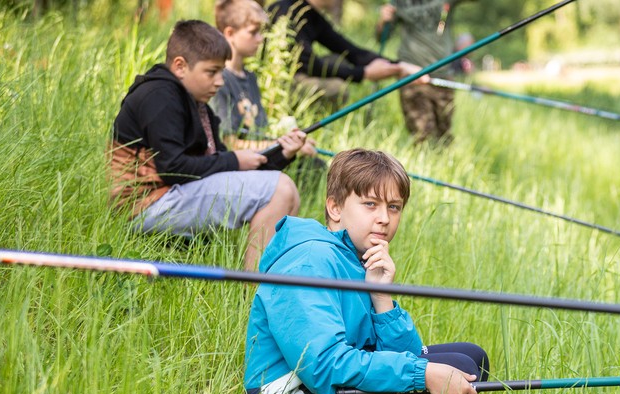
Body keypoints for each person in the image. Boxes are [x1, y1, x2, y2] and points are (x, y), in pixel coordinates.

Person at [244, 148, 489, 394]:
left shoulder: (357, 262)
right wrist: (422, 375)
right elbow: (324, 366)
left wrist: (381, 295)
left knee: (470, 360)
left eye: (394, 207)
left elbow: (407, 356)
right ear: (335, 208)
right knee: (447, 373)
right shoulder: (310, 260)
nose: (384, 218)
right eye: (370, 204)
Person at [109, 19, 307, 270]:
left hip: (169, 195)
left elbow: (217, 164)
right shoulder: (160, 96)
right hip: (143, 205)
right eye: (211, 72)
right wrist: (235, 159)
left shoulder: (194, 102)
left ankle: (269, 287)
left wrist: (282, 154)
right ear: (180, 66)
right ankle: (254, 294)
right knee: (279, 189)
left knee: (284, 190)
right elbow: (171, 168)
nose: (220, 81)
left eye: (221, 72)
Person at [267, 0, 425, 107]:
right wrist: (363, 74)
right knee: (336, 88)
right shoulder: (285, 11)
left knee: (338, 60)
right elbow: (307, 65)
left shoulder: (312, 15)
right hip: (273, 84)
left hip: (293, 75)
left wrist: (399, 67)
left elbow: (351, 52)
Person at [210, 0, 317, 159]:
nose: (260, 39)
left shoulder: (250, 77)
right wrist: (281, 146)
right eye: (253, 32)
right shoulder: (219, 81)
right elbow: (229, 143)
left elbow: (260, 133)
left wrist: (291, 140)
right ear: (230, 33)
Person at [377, 0, 474, 143]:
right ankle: (421, 163)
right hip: (412, 75)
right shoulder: (398, 2)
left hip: (443, 74)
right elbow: (381, 37)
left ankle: (444, 163)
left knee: (444, 134)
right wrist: (383, 20)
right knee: (421, 133)